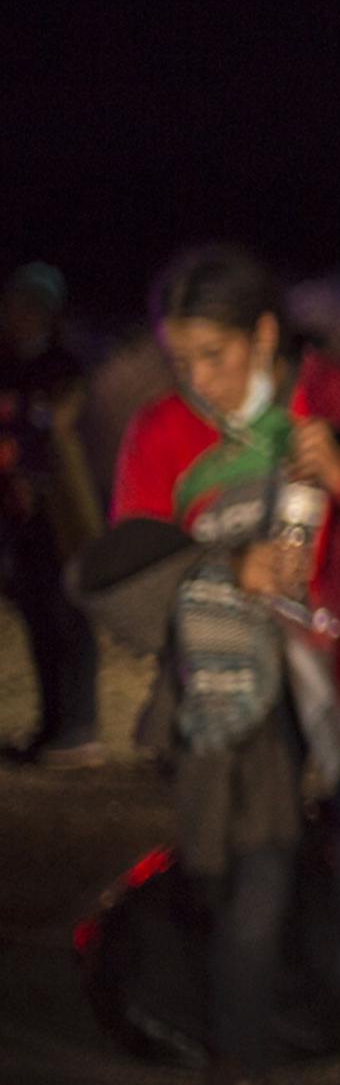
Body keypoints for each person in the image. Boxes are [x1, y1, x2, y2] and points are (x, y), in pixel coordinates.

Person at [94, 243, 340, 1085]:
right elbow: (125, 574)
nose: (199, 379)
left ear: (264, 334)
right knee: (254, 881)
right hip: (244, 691)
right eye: (182, 362)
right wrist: (222, 570)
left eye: (215, 355)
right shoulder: (161, 434)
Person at [2, 262, 107, 766]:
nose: (20, 314)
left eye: (32, 305)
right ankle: (51, 724)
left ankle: (82, 726)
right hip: (19, 514)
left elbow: (64, 433)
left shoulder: (66, 366)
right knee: (38, 618)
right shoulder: (9, 364)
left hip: (64, 513)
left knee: (72, 616)